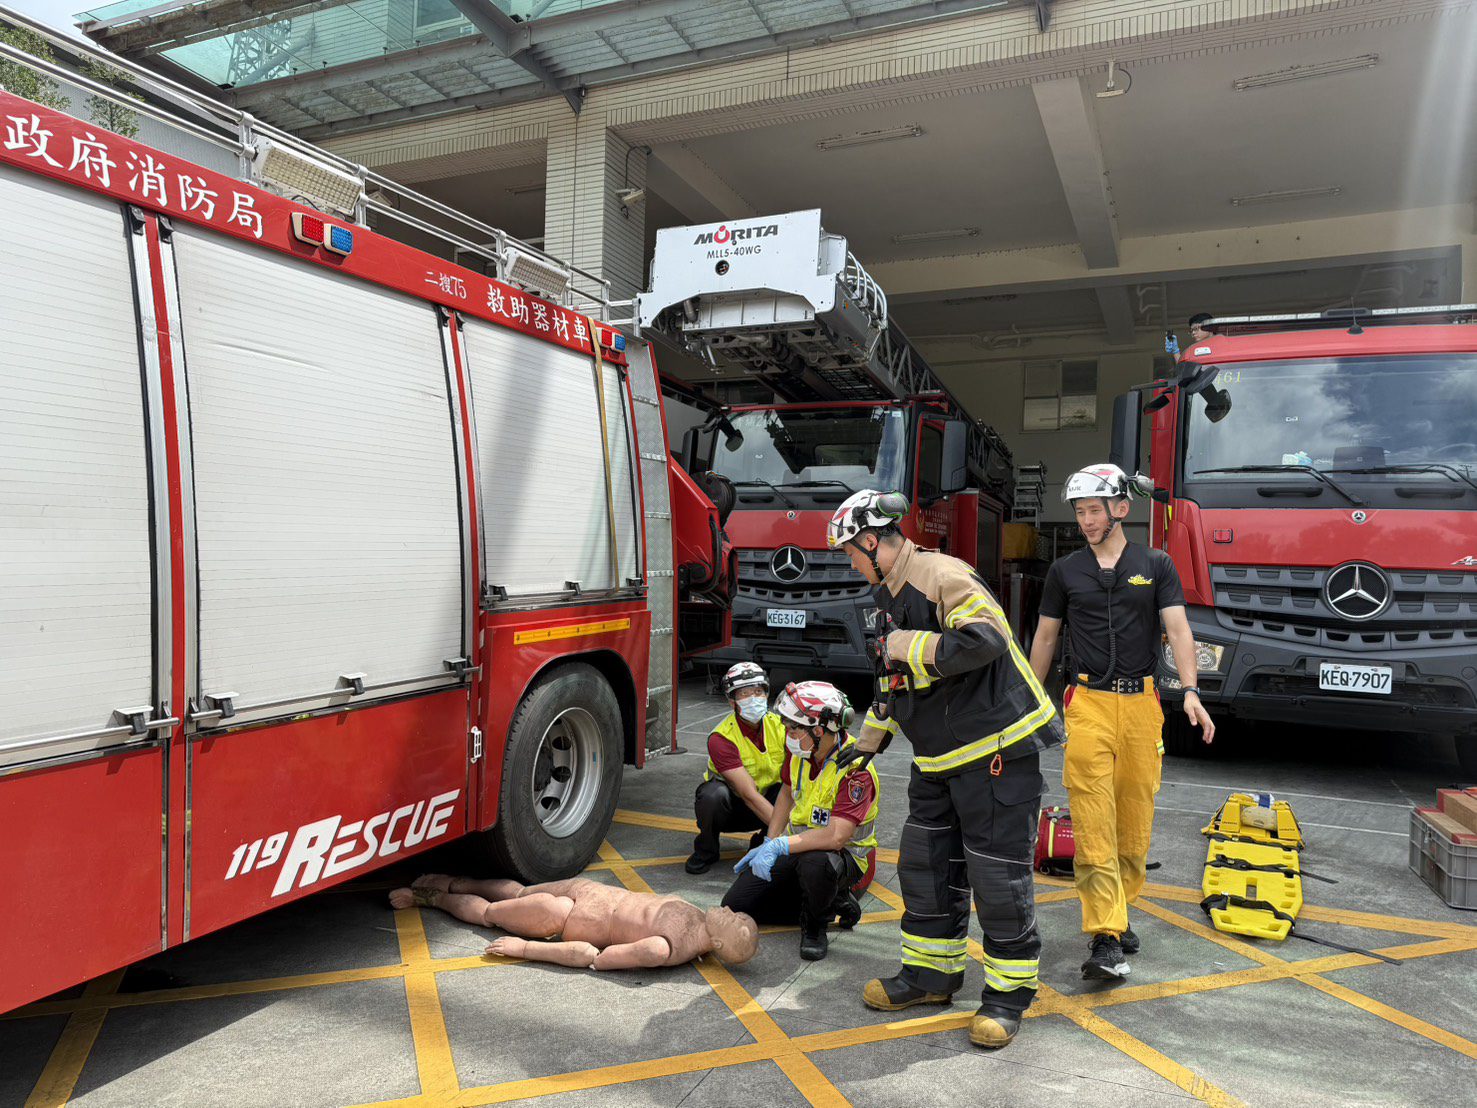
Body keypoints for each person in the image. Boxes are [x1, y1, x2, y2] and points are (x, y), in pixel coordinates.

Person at [826, 490, 1063, 1050]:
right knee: (927, 868)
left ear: (872, 540)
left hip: (996, 752)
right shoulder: (883, 596)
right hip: (937, 759)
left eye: (850, 553)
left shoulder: (938, 574)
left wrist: (907, 642)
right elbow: (893, 681)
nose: (850, 563)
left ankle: (1007, 997)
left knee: (996, 878)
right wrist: (867, 741)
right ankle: (931, 976)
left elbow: (985, 639)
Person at [1028, 463, 1216, 982]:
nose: (1086, 521)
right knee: (1092, 822)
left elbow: (1178, 628)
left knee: (1134, 824)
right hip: (1086, 704)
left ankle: (1121, 906)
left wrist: (1192, 691)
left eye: (1094, 510)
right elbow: (1045, 639)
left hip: (1143, 707)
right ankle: (1106, 934)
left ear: (1121, 510)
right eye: (1080, 512)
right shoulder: (1065, 572)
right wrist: (1027, 698)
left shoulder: (1156, 564)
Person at [721, 680, 881, 961]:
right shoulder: (802, 753)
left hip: (842, 858)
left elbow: (837, 837)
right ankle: (830, 901)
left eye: (793, 728)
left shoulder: (857, 771)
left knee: (816, 863)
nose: (787, 734)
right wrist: (771, 839)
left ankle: (816, 926)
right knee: (736, 905)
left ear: (819, 730)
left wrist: (779, 847)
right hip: (799, 847)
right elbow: (786, 791)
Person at [389, 875, 758, 969]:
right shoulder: (700, 924)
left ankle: (429, 898)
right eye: (738, 911)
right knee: (519, 892)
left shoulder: (662, 949)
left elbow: (591, 956)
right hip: (590, 890)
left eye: (734, 919)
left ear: (722, 944)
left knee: (490, 915)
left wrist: (526, 950)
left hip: (567, 917)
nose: (730, 910)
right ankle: (455, 881)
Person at [686, 661, 788, 875]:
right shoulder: (721, 738)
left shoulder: (781, 726)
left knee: (791, 788)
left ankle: (763, 841)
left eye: (758, 691)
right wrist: (789, 835)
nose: (754, 698)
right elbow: (748, 794)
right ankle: (707, 850)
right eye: (744, 694)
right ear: (732, 702)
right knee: (711, 795)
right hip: (734, 809)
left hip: (768, 805)